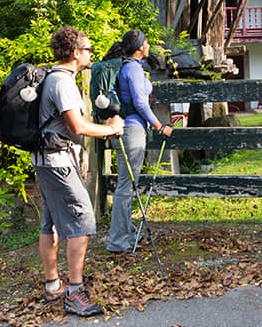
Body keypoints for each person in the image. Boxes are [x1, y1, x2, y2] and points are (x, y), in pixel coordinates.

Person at [34, 26, 124, 317]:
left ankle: (52, 287)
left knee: (50, 222)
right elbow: (77, 126)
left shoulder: (52, 77)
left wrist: (99, 133)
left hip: (46, 161)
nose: (90, 54)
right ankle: (75, 291)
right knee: (82, 220)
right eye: (87, 49)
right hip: (58, 165)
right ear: (75, 53)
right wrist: (109, 129)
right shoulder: (62, 83)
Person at [106, 29, 173, 254]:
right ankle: (118, 241)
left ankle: (127, 232)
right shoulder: (132, 69)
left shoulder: (130, 67)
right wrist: (159, 126)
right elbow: (140, 103)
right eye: (146, 42)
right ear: (138, 48)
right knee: (127, 185)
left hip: (127, 129)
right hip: (132, 130)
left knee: (127, 184)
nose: (148, 45)